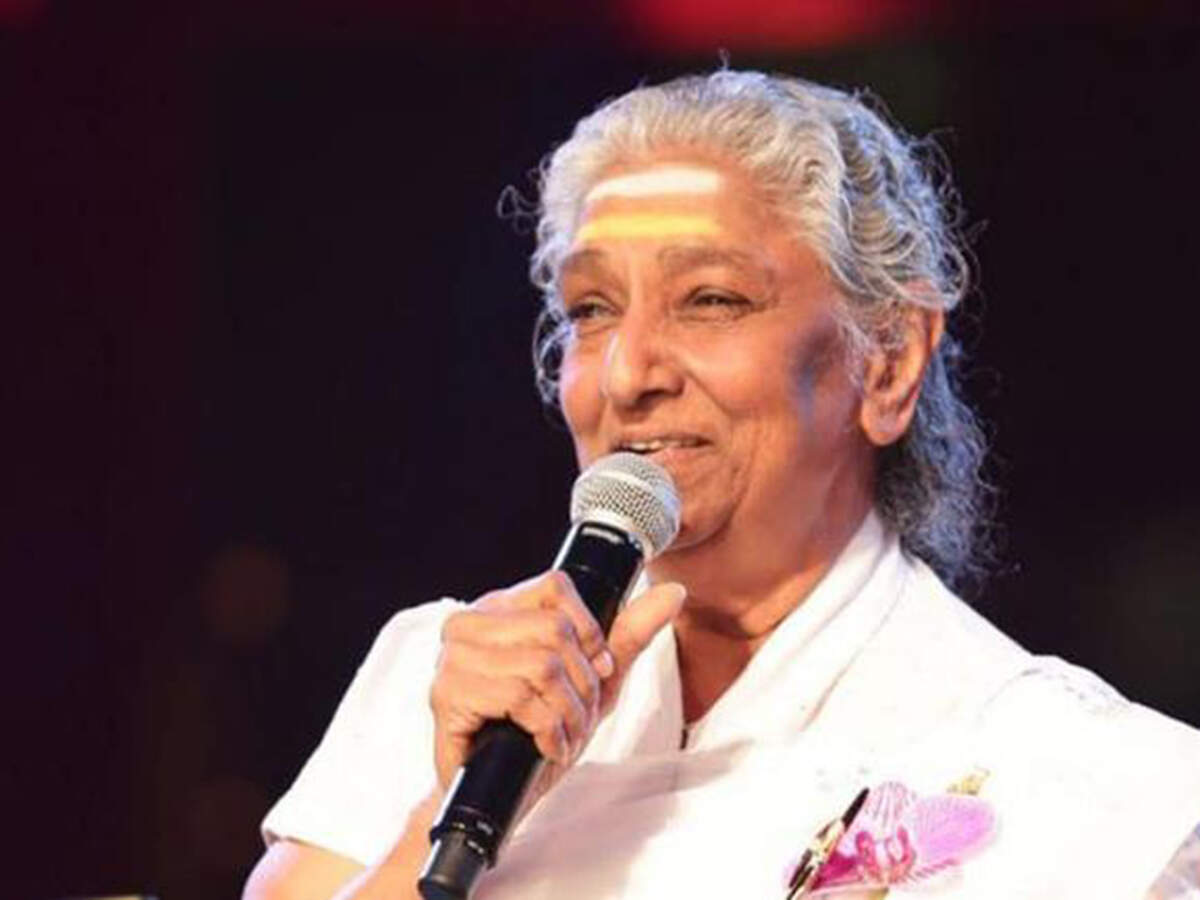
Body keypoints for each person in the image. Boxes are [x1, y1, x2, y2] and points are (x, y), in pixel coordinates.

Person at [243, 71, 1200, 900]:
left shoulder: (1089, 786)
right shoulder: (441, 683)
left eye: (710, 299)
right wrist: (451, 806)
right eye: (591, 309)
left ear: (889, 362)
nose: (628, 374)